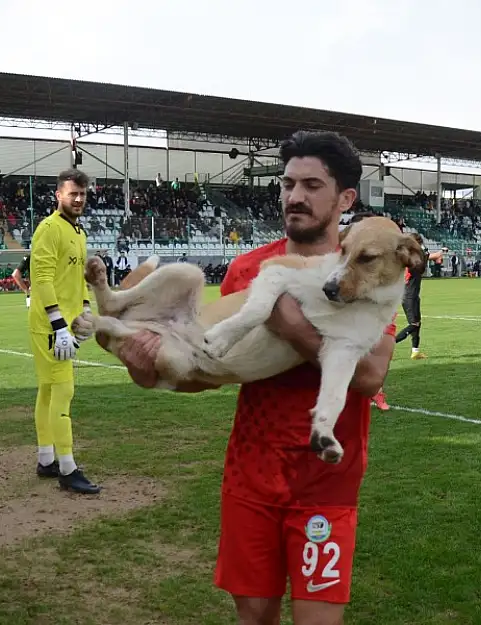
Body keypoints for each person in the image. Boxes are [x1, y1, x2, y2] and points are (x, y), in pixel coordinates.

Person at [106, 130, 395, 624]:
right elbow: (208, 371)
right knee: (254, 618)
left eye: (311, 185)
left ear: (345, 198)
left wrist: (291, 325)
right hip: (251, 478)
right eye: (288, 184)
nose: (295, 197)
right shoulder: (247, 269)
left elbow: (369, 376)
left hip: (326, 482)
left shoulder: (368, 269)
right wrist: (146, 369)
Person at [28, 168, 101, 495]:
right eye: (73, 193)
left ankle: (47, 459)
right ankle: (68, 468)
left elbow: (78, 280)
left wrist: (85, 309)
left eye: (83, 194)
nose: (79, 199)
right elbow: (41, 280)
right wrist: (59, 326)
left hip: (67, 325)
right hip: (50, 326)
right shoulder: (48, 229)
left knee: (46, 390)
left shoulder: (79, 232)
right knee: (63, 391)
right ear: (59, 195)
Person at [392, 232, 442, 361]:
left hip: (411, 295)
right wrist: (436, 253)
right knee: (414, 324)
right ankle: (389, 344)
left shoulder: (409, 257)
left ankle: (415, 351)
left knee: (417, 324)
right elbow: (425, 261)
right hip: (410, 296)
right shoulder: (412, 259)